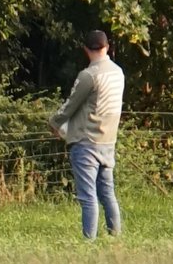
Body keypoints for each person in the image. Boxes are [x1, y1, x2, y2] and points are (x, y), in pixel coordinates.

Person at [50, 30, 124, 239]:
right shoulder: (118, 73)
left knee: (87, 196)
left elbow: (71, 105)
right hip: (108, 140)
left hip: (86, 141)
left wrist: (54, 122)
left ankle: (89, 242)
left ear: (85, 49)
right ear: (107, 47)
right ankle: (115, 236)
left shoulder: (89, 75)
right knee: (107, 193)